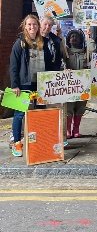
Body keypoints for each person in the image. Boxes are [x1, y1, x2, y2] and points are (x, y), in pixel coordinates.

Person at [9, 14, 52, 157]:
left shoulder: (44, 42)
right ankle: (17, 143)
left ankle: (38, 143)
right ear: (25, 26)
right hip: (23, 84)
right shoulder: (19, 43)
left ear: (38, 26)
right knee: (20, 114)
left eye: (34, 24)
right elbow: (13, 66)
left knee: (40, 113)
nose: (32, 27)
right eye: (29, 25)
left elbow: (51, 63)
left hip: (40, 84)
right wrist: (15, 85)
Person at [65, 29, 94, 138]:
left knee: (80, 108)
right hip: (69, 85)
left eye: (76, 36)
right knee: (69, 108)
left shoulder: (85, 52)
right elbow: (60, 49)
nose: (74, 38)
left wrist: (89, 38)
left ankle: (76, 130)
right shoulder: (66, 51)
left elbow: (92, 49)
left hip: (83, 84)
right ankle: (67, 130)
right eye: (71, 36)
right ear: (68, 39)